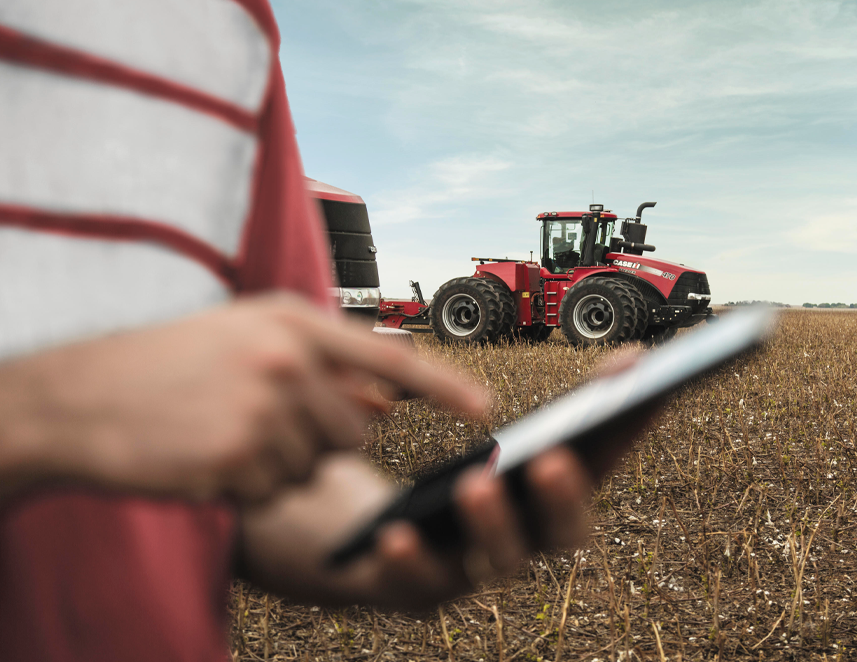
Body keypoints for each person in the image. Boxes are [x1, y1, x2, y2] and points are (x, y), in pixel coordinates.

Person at [0, 3, 654, 660]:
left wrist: (383, 541)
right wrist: (43, 412)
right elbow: (138, 407)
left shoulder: (233, 24)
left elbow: (259, 469)